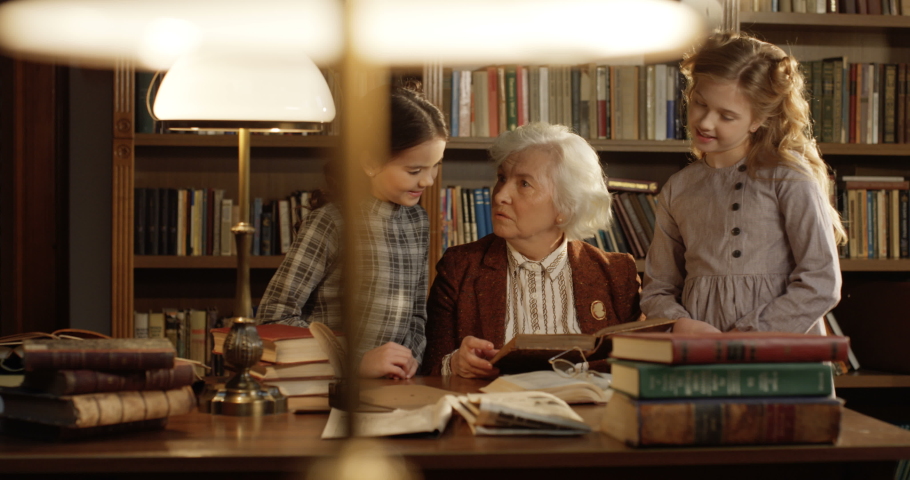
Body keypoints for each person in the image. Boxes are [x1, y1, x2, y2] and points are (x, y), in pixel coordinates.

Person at [640, 31, 845, 335]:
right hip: (701, 353)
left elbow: (821, 282)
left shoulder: (789, 177)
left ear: (758, 120)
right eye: (700, 103)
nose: (705, 122)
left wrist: (748, 337)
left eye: (726, 116)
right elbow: (658, 288)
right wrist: (681, 325)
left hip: (781, 349)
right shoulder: (678, 188)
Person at [422, 122, 644, 378]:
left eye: (524, 184)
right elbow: (429, 368)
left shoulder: (616, 273)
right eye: (502, 178)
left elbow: (640, 364)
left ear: (565, 207)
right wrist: (454, 364)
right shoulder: (460, 267)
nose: (500, 195)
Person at [256, 85, 447, 379]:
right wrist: (354, 362)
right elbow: (273, 317)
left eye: (435, 166)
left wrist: (410, 360)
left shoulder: (418, 222)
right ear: (370, 163)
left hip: (394, 387)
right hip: (329, 388)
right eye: (414, 171)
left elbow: (416, 316)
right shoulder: (331, 222)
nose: (429, 181)